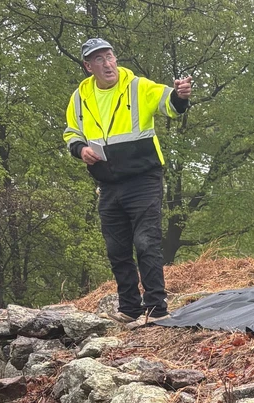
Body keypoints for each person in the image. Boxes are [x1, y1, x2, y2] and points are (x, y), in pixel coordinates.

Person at [63, 38, 192, 325]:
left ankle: (156, 309)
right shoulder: (79, 98)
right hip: (108, 184)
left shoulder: (138, 87)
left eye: (110, 57)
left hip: (143, 179)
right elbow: (72, 132)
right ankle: (130, 309)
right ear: (88, 66)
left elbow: (169, 104)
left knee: (146, 242)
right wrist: (80, 149)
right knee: (116, 248)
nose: (107, 63)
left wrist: (181, 96)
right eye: (99, 60)